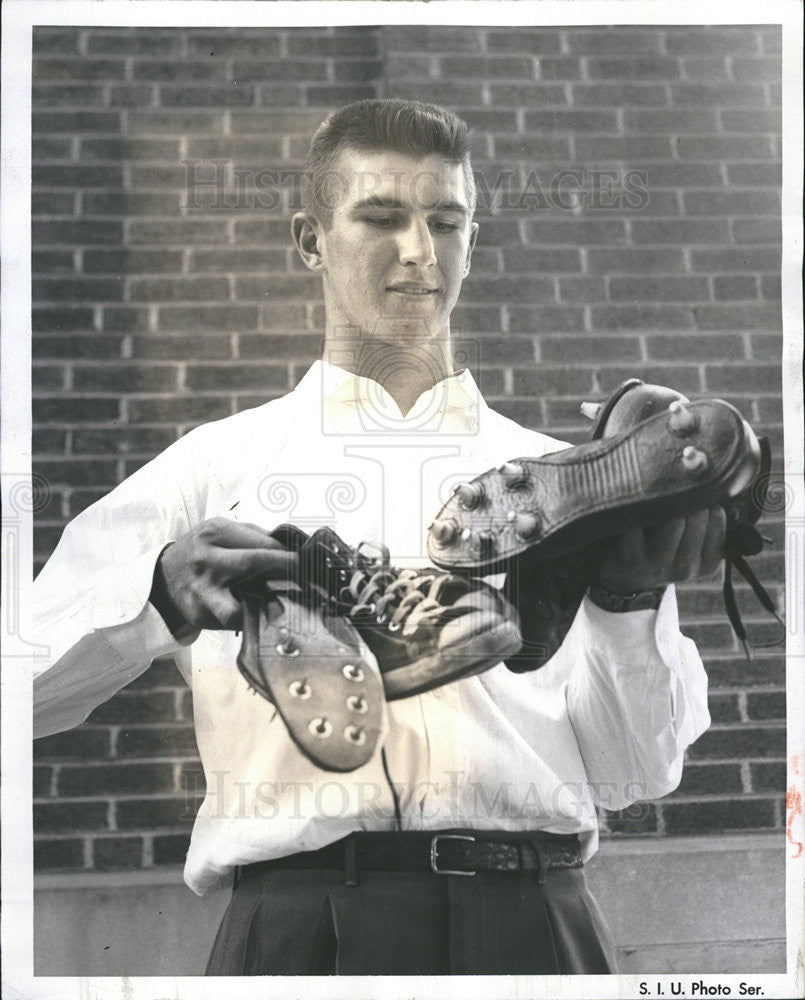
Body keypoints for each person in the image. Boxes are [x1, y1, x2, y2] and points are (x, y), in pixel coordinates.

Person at [34, 99, 725, 976]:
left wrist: (630, 604)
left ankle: (451, 618)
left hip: (531, 921)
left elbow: (636, 776)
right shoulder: (210, 468)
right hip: (296, 924)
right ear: (310, 239)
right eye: (380, 217)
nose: (418, 250)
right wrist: (155, 598)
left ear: (472, 236)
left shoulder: (557, 478)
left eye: (446, 220)